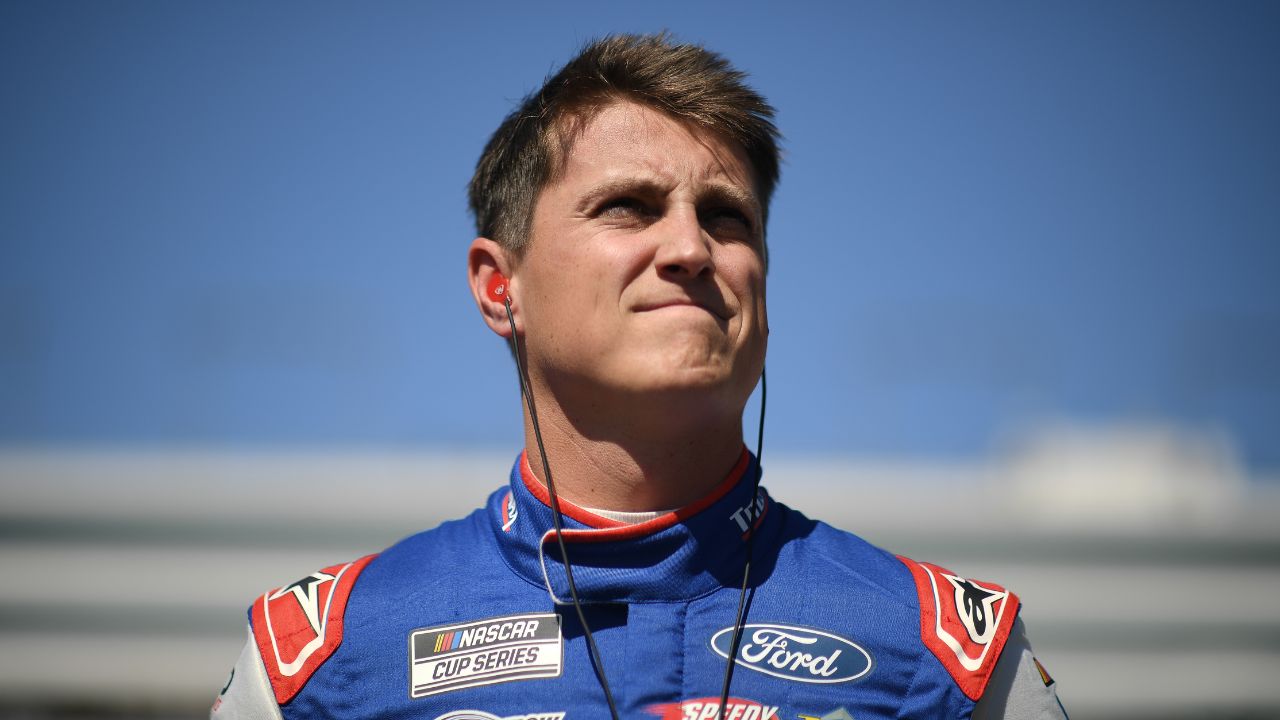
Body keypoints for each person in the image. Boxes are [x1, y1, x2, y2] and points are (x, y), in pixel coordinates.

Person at [211, 33, 1068, 720]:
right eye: (629, 207)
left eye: (726, 217)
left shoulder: (940, 657)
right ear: (499, 287)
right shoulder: (324, 663)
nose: (691, 248)